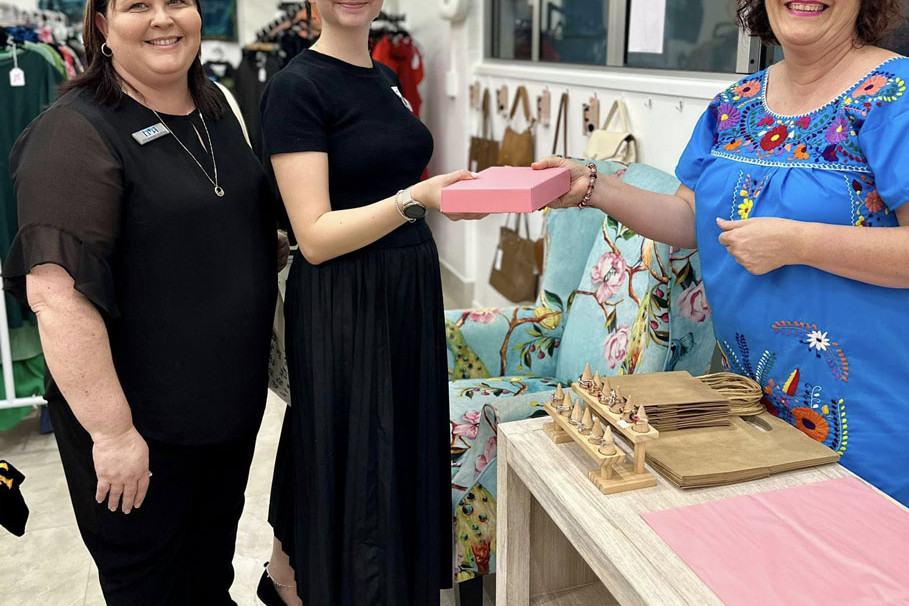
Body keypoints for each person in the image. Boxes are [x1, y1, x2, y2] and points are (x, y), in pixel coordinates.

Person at [535, 0, 909, 506]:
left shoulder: (894, 95)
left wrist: (798, 243)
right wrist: (594, 186)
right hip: (748, 409)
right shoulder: (737, 103)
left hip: (871, 420)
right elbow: (690, 219)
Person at [2, 0, 282, 603]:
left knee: (208, 574)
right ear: (102, 25)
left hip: (225, 414)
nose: (163, 19)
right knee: (151, 588)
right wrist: (114, 434)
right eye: (137, 5)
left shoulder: (217, 107)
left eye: (176, 1)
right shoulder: (74, 130)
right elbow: (56, 296)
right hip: (141, 427)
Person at [255, 1, 483, 604]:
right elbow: (316, 236)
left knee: (389, 447)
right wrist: (417, 198)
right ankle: (314, 584)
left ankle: (304, 579)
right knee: (355, 453)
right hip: (344, 301)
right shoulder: (295, 87)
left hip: (404, 292)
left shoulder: (383, 76)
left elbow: (387, 185)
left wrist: (450, 197)